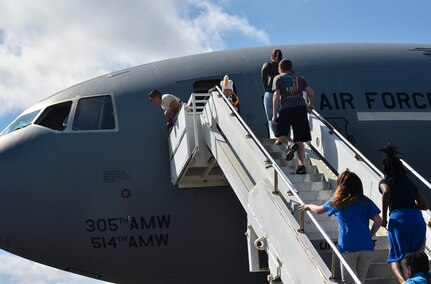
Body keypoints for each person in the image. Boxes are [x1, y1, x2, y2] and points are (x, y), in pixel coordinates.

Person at [299, 170, 382, 284]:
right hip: (366, 246)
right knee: (361, 281)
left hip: (348, 245)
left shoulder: (337, 201)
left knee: (348, 281)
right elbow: (378, 221)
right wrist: (370, 235)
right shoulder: (366, 201)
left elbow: (319, 210)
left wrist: (308, 205)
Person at [378, 144, 428, 283]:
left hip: (399, 221)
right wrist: (409, 205)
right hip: (417, 220)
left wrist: (383, 217)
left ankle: (403, 282)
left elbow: (386, 191)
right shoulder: (410, 183)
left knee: (395, 256)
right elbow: (424, 205)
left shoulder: (385, 181)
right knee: (417, 256)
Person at [272, 59, 314, 174]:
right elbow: (311, 93)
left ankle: (290, 144)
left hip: (286, 108)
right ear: (290, 68)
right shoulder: (300, 78)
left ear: (280, 68)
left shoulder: (278, 78)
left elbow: (276, 95)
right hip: (301, 109)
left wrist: (274, 115)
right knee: (300, 139)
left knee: (279, 134)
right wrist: (310, 105)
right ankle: (301, 166)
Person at [261, 49, 282, 139]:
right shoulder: (283, 66)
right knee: (283, 118)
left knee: (271, 118)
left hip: (270, 93)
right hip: (282, 94)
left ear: (272, 56)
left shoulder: (268, 65)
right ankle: (286, 137)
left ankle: (278, 137)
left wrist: (265, 87)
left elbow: (263, 74)